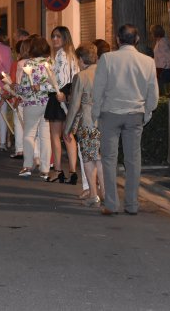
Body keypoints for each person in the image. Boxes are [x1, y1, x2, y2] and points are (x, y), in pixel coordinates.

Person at [92, 24, 159, 215]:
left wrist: (95, 113)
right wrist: (147, 112)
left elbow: (99, 89)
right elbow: (153, 93)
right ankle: (132, 204)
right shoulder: (147, 61)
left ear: (117, 39)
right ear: (136, 40)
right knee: (133, 160)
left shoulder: (107, 59)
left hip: (110, 114)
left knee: (109, 159)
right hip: (135, 114)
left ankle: (112, 204)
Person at [64, 44, 104, 207]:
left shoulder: (81, 76)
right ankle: (107, 194)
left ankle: (93, 195)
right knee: (101, 159)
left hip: (88, 123)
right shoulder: (105, 73)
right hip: (105, 122)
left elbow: (74, 105)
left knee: (88, 159)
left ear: (81, 59)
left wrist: (67, 129)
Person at [45, 26, 80, 184]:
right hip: (70, 96)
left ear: (65, 38)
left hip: (58, 95)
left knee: (55, 136)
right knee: (68, 135)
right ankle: (73, 171)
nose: (54, 39)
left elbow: (57, 81)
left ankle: (58, 170)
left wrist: (43, 85)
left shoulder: (60, 55)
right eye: (53, 37)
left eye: (58, 36)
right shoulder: (73, 55)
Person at [16, 36, 53, 180]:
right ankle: (45, 169)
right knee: (45, 136)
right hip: (47, 103)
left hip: (31, 103)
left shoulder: (29, 64)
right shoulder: (50, 62)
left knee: (29, 134)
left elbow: (24, 88)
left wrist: (16, 89)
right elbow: (55, 83)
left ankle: (27, 166)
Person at [150, 24, 170, 96]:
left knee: (165, 91)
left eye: (152, 32)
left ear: (155, 33)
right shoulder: (159, 41)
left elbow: (169, 56)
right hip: (162, 69)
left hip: (165, 70)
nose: (151, 34)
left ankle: (166, 105)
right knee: (163, 90)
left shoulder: (162, 42)